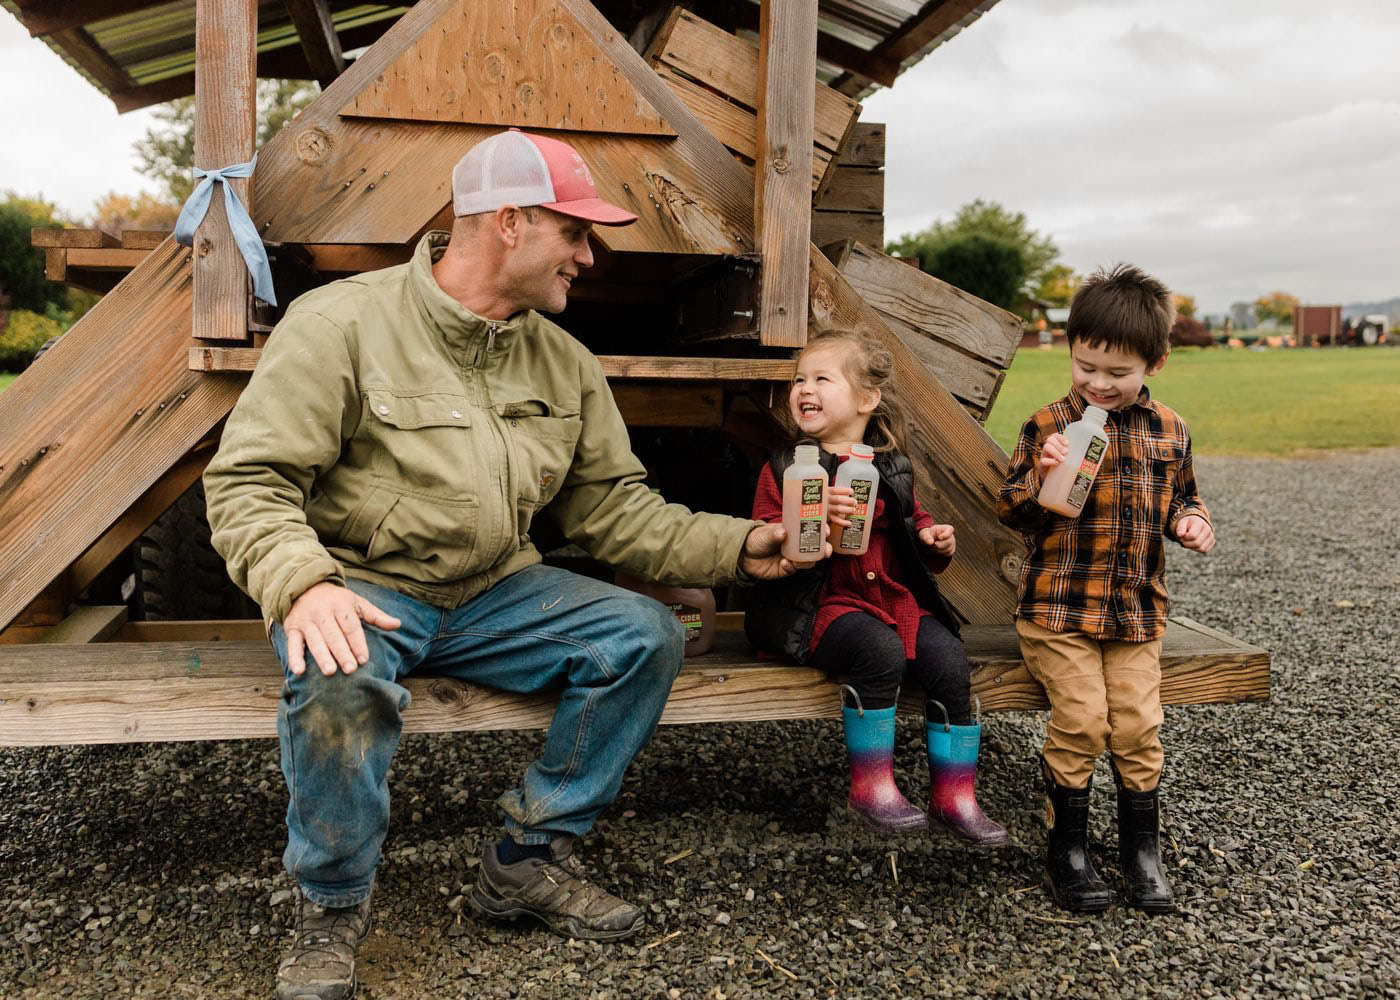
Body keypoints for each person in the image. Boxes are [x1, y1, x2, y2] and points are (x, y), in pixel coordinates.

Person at [203, 128, 808, 1000]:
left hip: (495, 591)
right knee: (339, 683)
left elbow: (611, 511)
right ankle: (332, 904)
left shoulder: (562, 362)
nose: (590, 258)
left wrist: (742, 546)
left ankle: (528, 856)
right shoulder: (341, 324)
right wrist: (302, 583)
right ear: (512, 221)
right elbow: (251, 481)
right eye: (577, 234)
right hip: (367, 589)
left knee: (643, 632)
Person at [996, 264, 1215, 915]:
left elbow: (1184, 501)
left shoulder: (1170, 431)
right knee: (1084, 720)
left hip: (1135, 616)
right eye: (1085, 365)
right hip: (1058, 612)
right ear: (1072, 350)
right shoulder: (1049, 426)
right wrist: (1041, 481)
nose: (1098, 382)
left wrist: (1192, 522)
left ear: (1157, 361)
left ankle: (1139, 852)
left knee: (1140, 727)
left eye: (1117, 373)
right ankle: (1066, 848)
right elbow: (1012, 510)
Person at [744, 328, 1007, 845]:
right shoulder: (787, 468)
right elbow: (765, 539)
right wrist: (808, 519)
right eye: (799, 379)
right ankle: (871, 787)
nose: (804, 388)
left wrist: (935, 542)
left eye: (822, 378)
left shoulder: (893, 467)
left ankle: (955, 794)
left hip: (888, 598)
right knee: (878, 650)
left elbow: (915, 527)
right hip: (818, 604)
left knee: (950, 658)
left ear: (867, 398)